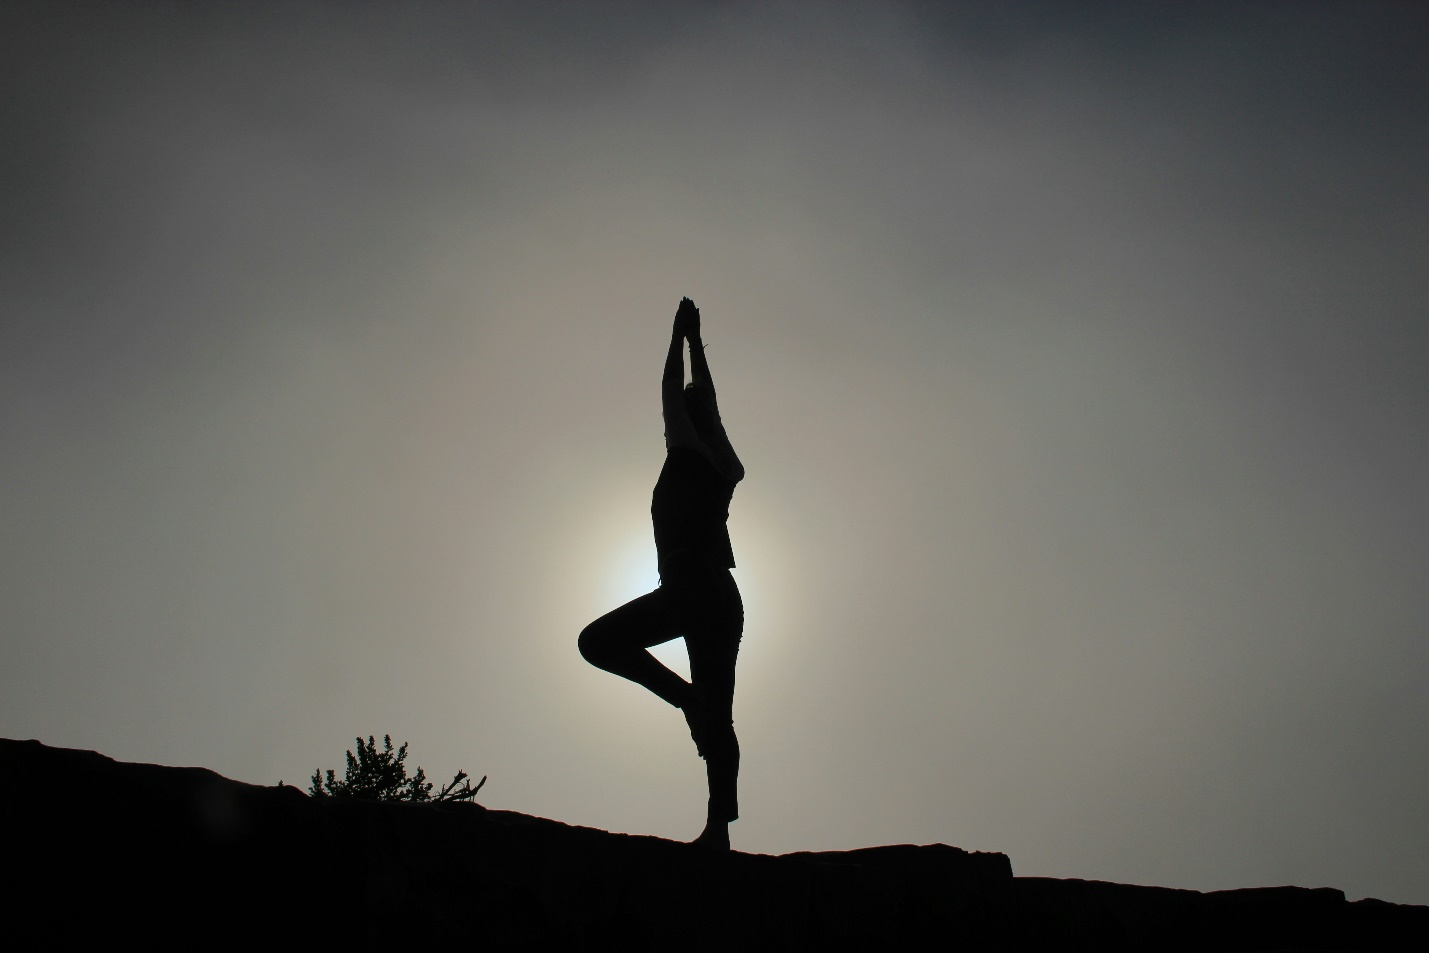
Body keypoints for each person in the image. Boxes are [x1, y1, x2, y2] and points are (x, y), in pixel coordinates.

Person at [578, 297, 746, 850]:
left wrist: (679, 340)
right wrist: (698, 344)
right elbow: (709, 400)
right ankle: (718, 829)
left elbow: (676, 392)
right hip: (724, 595)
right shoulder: (724, 462)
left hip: (692, 583)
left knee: (597, 642)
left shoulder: (688, 448)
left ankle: (686, 701)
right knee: (720, 712)